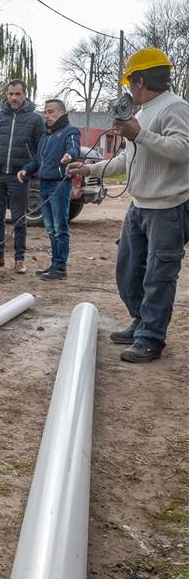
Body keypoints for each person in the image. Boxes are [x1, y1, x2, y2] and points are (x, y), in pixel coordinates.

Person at [68, 48, 189, 362]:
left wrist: (141, 134)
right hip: (139, 205)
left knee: (159, 275)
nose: (128, 89)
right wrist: (90, 169)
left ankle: (151, 338)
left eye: (130, 82)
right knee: (128, 270)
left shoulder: (175, 107)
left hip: (167, 208)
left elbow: (183, 150)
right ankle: (141, 321)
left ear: (140, 80)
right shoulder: (142, 112)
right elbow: (129, 158)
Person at [0, 79, 45, 273]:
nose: (14, 98)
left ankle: (19, 260)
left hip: (19, 176)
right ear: (7, 95)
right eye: (11, 94)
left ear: (25, 95)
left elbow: (39, 149)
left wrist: (27, 167)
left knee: (19, 218)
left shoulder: (35, 119)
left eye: (18, 94)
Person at [18, 99, 80, 280]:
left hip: (59, 185)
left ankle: (60, 269)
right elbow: (38, 161)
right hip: (43, 185)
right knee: (51, 229)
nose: (47, 115)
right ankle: (54, 265)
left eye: (51, 112)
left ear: (61, 113)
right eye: (45, 112)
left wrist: (70, 156)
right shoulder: (46, 136)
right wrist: (25, 170)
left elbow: (74, 148)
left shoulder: (70, 131)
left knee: (60, 228)